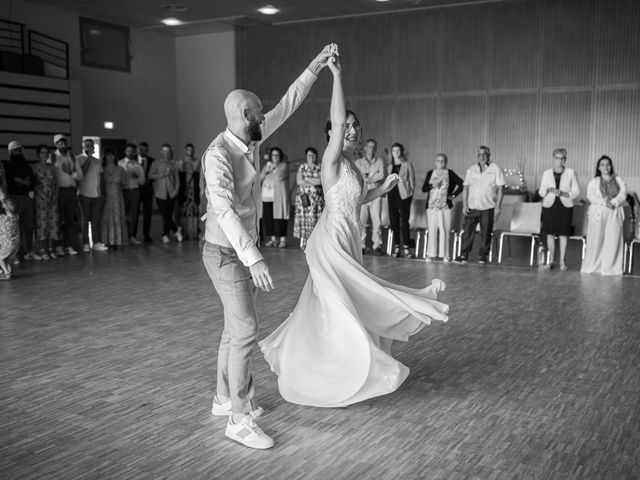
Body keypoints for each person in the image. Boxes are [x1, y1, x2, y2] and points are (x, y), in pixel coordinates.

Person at [259, 49, 448, 411]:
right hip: (331, 240)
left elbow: (352, 200)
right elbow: (336, 119)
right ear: (333, 132)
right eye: (346, 124)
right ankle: (342, 367)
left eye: (355, 124)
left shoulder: (352, 166)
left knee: (337, 303)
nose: (353, 128)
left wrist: (381, 189)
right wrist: (336, 76)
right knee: (342, 301)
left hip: (349, 239)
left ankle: (330, 360)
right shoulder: (331, 158)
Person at [201, 44, 336, 450]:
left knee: (234, 328)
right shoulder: (217, 155)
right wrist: (255, 257)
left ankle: (224, 398)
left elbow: (287, 104)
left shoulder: (252, 139)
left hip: (236, 250)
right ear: (246, 116)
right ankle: (238, 420)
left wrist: (315, 66)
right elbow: (223, 210)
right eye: (260, 112)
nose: (266, 115)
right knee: (245, 329)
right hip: (224, 252)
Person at [454, 146, 506, 264]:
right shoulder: (471, 170)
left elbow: (501, 189)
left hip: (488, 207)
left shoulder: (495, 168)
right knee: (467, 232)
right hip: (472, 206)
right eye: (479, 154)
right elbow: (466, 188)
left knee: (486, 232)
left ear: (489, 155)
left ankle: (483, 256)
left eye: (484, 154)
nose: (482, 156)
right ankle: (464, 255)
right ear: (476, 155)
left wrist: (498, 206)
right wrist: (464, 205)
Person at [581, 156, 627, 275]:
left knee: (613, 239)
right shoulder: (594, 181)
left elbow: (623, 193)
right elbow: (590, 195)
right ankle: (593, 266)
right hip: (598, 212)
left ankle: (610, 268)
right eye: (602, 164)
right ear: (598, 167)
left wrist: (614, 202)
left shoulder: (618, 179)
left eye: (608, 164)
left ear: (611, 166)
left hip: (614, 211)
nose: (605, 167)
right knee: (596, 239)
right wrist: (604, 202)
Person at [538, 148, 580, 270]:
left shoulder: (571, 172)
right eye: (557, 158)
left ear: (565, 159)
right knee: (550, 233)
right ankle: (550, 261)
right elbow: (541, 192)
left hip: (565, 206)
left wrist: (563, 194)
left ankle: (562, 261)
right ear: (553, 159)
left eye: (562, 158)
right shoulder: (546, 173)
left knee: (563, 234)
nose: (559, 161)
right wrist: (549, 190)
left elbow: (576, 191)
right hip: (549, 205)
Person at [422, 153, 464, 262]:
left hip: (445, 206)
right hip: (431, 206)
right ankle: (431, 254)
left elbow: (461, 183)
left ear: (446, 162)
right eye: (438, 161)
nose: (440, 163)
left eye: (443, 161)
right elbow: (424, 188)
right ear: (435, 162)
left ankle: (445, 254)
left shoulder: (450, 173)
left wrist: (453, 195)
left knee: (444, 230)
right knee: (432, 230)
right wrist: (432, 186)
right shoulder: (430, 173)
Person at [4, 141, 38, 262]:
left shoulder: (26, 165)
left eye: (19, 150)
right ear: (10, 152)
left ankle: (29, 251)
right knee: (15, 228)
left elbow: (32, 182)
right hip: (14, 198)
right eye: (15, 150)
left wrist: (21, 181)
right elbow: (10, 182)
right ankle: (16, 254)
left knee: (28, 226)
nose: (18, 153)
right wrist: (24, 181)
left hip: (27, 197)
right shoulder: (7, 166)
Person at [355, 139, 386, 255]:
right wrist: (373, 177)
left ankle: (376, 246)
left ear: (375, 149)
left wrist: (368, 179)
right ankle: (361, 245)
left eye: (373, 147)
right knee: (362, 220)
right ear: (365, 148)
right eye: (369, 146)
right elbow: (358, 177)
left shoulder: (380, 161)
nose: (371, 149)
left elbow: (382, 175)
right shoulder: (359, 162)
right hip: (363, 193)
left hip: (376, 193)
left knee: (376, 220)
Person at [77, 138, 108, 252]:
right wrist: (88, 158)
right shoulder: (79, 159)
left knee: (96, 220)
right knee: (85, 220)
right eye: (87, 146)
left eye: (91, 146)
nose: (90, 148)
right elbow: (82, 172)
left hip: (97, 195)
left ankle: (96, 242)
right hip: (84, 194)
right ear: (84, 147)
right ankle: (85, 243)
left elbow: (101, 177)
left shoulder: (98, 161)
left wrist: (103, 193)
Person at [53, 134, 81, 256]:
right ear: (56, 144)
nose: (62, 145)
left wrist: (71, 173)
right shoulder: (53, 157)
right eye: (60, 143)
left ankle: (68, 245)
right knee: (58, 220)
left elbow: (80, 176)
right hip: (59, 191)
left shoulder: (73, 157)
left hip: (71, 190)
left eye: (64, 143)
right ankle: (58, 246)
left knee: (70, 220)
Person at [386, 142, 416, 259]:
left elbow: (412, 181)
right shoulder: (389, 166)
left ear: (401, 152)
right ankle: (397, 247)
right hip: (392, 195)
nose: (396, 153)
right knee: (394, 222)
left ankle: (407, 248)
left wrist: (410, 195)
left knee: (404, 223)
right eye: (394, 151)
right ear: (391, 153)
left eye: (398, 151)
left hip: (404, 196)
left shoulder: (407, 164)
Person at [148, 144, 181, 244]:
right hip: (160, 193)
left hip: (171, 193)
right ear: (161, 152)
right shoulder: (156, 163)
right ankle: (176, 231)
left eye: (169, 151)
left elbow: (177, 179)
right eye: (165, 151)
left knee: (169, 215)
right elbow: (150, 176)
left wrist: (176, 190)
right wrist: (163, 174)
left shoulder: (173, 164)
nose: (167, 153)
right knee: (165, 215)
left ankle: (165, 234)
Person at [31, 145, 59, 259]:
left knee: (53, 224)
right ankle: (42, 249)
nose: (45, 154)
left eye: (46, 152)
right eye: (42, 152)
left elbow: (56, 183)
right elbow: (34, 183)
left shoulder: (52, 167)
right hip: (40, 199)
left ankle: (51, 248)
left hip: (52, 199)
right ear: (38, 155)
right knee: (42, 224)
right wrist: (41, 194)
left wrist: (56, 195)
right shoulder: (34, 167)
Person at [293, 147, 324, 250]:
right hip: (304, 200)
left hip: (317, 200)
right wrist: (313, 180)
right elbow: (299, 181)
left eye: (314, 155)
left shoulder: (320, 167)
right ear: (306, 156)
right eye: (310, 155)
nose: (312, 157)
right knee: (304, 220)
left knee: (316, 220)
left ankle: (315, 241)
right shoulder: (302, 167)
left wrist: (305, 178)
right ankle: (303, 241)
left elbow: (321, 181)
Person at [260, 147, 289, 248]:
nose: (275, 157)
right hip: (267, 197)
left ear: (280, 156)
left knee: (280, 218)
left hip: (279, 197)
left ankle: (282, 239)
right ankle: (273, 239)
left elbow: (279, 177)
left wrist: (273, 169)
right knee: (269, 218)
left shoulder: (283, 166)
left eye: (277, 155)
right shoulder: (267, 166)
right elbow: (260, 178)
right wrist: (266, 171)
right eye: (273, 155)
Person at [118, 144, 145, 245]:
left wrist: (137, 178)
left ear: (134, 152)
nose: (130, 153)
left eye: (131, 151)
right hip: (123, 192)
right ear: (125, 152)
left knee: (133, 216)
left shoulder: (138, 165)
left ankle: (132, 236)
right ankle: (123, 236)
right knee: (122, 215)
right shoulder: (119, 163)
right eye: (128, 151)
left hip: (135, 191)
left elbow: (143, 181)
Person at [101, 149, 128, 248]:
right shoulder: (102, 168)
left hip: (117, 196)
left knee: (117, 216)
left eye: (112, 155)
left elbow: (125, 183)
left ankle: (117, 240)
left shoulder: (120, 169)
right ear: (104, 157)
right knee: (106, 217)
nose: (110, 157)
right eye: (108, 155)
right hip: (105, 196)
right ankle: (107, 240)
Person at [180, 143, 201, 240]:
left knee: (195, 212)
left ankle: (196, 233)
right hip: (185, 190)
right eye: (188, 150)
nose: (190, 151)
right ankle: (184, 233)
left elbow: (196, 172)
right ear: (186, 150)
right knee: (184, 213)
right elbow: (181, 171)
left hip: (194, 190)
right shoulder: (182, 161)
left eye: (192, 150)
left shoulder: (196, 161)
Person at [0, 184, 20, 280]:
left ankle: (7, 273)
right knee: (9, 259)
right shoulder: (16, 217)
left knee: (0, 258)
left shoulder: (3, 218)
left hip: (8, 244)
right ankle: (10, 272)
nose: (2, 203)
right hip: (16, 243)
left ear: (6, 208)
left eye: (4, 203)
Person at [137, 142, 155, 242]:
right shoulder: (133, 160)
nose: (143, 151)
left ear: (148, 150)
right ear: (138, 150)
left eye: (145, 150)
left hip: (148, 190)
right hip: (136, 190)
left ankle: (146, 234)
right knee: (134, 213)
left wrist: (149, 180)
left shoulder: (152, 161)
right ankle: (133, 235)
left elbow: (154, 175)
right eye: (141, 149)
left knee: (147, 213)